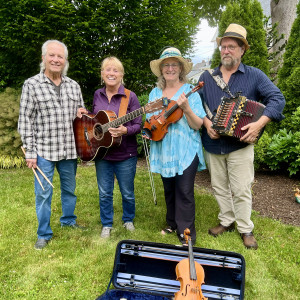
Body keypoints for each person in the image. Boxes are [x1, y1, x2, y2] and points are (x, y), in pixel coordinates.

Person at [198, 24, 285, 249]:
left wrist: (259, 124)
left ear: (242, 50)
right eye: (223, 46)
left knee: (242, 188)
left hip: (240, 145)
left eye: (232, 47)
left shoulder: (254, 75)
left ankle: (245, 228)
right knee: (218, 186)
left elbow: (278, 99)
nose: (226, 50)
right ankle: (226, 220)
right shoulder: (207, 77)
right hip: (213, 143)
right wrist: (207, 124)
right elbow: (197, 105)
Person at [18, 40, 86, 250]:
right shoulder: (32, 85)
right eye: (52, 55)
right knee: (43, 194)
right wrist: (30, 151)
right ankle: (44, 233)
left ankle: (68, 221)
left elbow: (82, 114)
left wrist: (82, 114)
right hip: (43, 151)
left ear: (65, 60)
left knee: (69, 190)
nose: (56, 60)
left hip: (68, 150)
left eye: (60, 57)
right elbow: (25, 119)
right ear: (44, 58)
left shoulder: (73, 86)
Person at [147, 47, 206, 246]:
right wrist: (149, 130)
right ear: (161, 69)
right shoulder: (155, 93)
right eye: (166, 65)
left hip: (186, 149)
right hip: (164, 148)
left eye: (174, 65)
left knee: (184, 191)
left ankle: (186, 232)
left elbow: (198, 124)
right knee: (169, 188)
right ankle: (171, 223)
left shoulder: (191, 93)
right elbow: (150, 121)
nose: (170, 68)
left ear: (180, 69)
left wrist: (187, 108)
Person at [78, 57, 142, 239]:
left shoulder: (130, 97)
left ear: (121, 75)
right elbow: (97, 119)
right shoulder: (98, 94)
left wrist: (125, 130)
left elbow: (138, 125)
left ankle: (128, 219)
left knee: (127, 192)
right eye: (108, 70)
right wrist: (86, 116)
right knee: (105, 192)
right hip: (102, 153)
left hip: (125, 153)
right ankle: (107, 224)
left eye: (115, 70)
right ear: (102, 74)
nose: (111, 73)